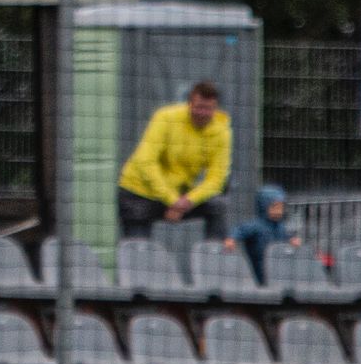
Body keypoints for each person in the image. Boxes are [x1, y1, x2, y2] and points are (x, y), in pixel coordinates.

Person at [116, 80, 231, 240]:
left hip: (179, 199)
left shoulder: (221, 132)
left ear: (215, 108)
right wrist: (171, 200)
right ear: (189, 103)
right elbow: (145, 162)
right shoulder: (165, 117)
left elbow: (216, 179)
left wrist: (188, 201)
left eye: (208, 108)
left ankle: (213, 259)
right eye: (198, 107)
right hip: (139, 193)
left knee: (216, 205)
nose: (202, 113)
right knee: (138, 252)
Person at [225, 184, 301, 283]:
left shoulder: (281, 227)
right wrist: (232, 239)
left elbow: (287, 237)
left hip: (276, 268)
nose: (279, 211)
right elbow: (240, 230)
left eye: (281, 207)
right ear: (264, 206)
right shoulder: (255, 226)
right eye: (275, 207)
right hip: (257, 267)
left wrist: (292, 241)